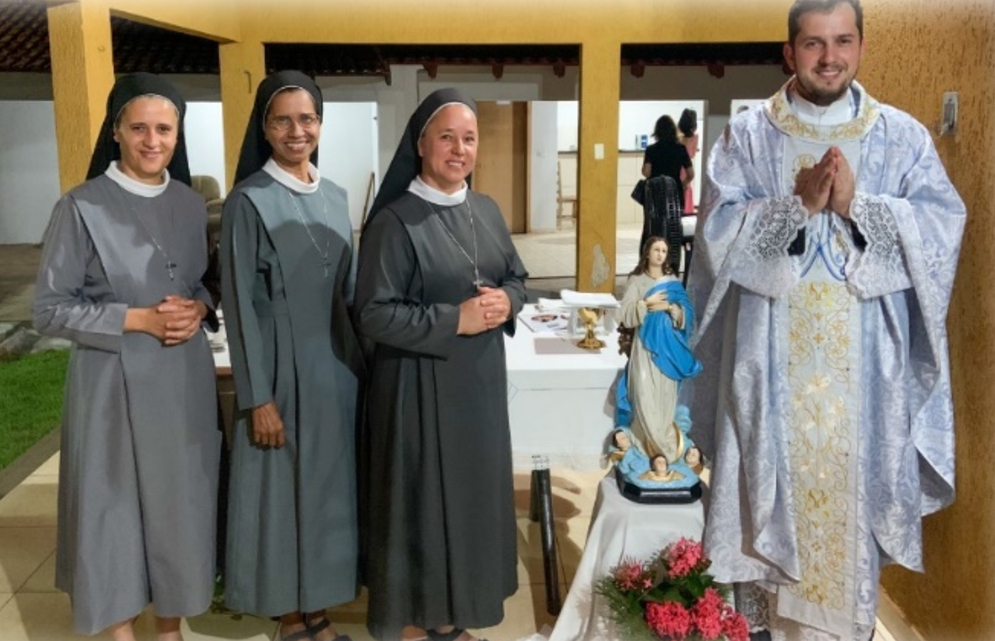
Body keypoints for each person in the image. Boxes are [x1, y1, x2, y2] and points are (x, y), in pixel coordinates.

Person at [685, 1, 966, 639]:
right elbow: (716, 235)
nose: (830, 57)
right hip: (768, 368)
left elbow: (941, 227)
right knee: (763, 505)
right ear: (790, 52)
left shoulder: (901, 137)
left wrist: (857, 205)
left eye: (842, 41)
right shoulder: (748, 136)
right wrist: (796, 208)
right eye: (814, 43)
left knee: (848, 515)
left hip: (864, 381)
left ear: (861, 46)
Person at [32, 73, 220, 641]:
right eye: (139, 128)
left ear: (178, 136)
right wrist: (136, 319)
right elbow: (50, 310)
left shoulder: (191, 204)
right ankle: (119, 629)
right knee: (112, 510)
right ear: (116, 131)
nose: (152, 141)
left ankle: (169, 626)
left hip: (180, 379)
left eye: (164, 129)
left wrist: (199, 306)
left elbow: (199, 282)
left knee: (177, 507)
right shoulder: (81, 206)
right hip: (110, 381)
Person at [355, 88, 528, 641]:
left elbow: (517, 276)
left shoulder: (486, 210)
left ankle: (453, 618)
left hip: (477, 388)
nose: (459, 149)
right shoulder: (395, 221)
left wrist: (508, 302)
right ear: (421, 143)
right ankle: (414, 625)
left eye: (469, 139)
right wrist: (456, 319)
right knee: (422, 508)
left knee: (471, 505)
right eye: (447, 137)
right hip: (418, 388)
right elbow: (373, 314)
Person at [219, 70, 363, 641]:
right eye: (282, 120)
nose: (296, 131)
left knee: (325, 492)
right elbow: (238, 304)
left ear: (320, 124)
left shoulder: (336, 195)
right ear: (264, 127)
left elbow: (349, 293)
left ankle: (318, 609)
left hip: (334, 369)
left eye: (307, 119)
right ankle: (289, 618)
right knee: (281, 495)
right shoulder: (248, 200)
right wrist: (257, 397)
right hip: (277, 370)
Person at [616, 236, 702, 465]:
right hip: (645, 349)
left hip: (668, 349)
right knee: (643, 393)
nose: (660, 254)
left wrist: (671, 308)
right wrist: (645, 304)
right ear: (647, 252)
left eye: (664, 250)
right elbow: (624, 314)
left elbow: (688, 316)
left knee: (664, 396)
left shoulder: (672, 282)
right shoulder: (637, 281)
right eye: (656, 249)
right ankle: (647, 443)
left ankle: (663, 444)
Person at [641, 115, 694, 270]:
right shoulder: (680, 149)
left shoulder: (652, 150)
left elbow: (646, 172)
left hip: (655, 197)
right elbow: (691, 173)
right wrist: (683, 183)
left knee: (654, 230)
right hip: (675, 196)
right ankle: (672, 264)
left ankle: (654, 265)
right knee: (674, 231)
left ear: (657, 131)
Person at [677, 108, 699, 214]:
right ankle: (686, 212)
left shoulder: (677, 137)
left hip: (677, 166)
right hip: (687, 168)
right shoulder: (695, 138)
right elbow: (693, 154)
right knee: (686, 188)